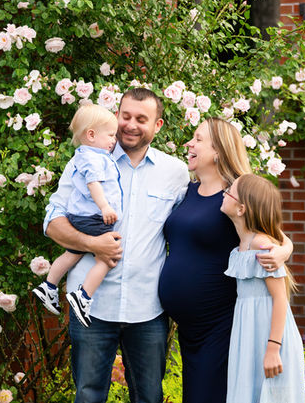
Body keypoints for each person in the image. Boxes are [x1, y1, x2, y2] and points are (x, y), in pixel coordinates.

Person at [42, 88, 191, 403]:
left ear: (158, 125)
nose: (131, 125)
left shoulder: (175, 172)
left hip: (148, 308)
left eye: (141, 119)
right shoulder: (88, 161)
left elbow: (194, 226)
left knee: (149, 397)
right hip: (93, 308)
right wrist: (93, 243)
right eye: (125, 116)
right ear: (117, 115)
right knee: (89, 395)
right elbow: (53, 222)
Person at [158, 118, 294, 403]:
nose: (189, 144)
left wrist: (283, 250)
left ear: (218, 151)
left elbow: (272, 233)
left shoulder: (235, 196)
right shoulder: (188, 192)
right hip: (189, 328)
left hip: (219, 324)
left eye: (197, 139)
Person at [33, 104, 122, 328]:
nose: (114, 140)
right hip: (93, 216)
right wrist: (105, 207)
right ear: (91, 135)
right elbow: (94, 184)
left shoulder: (83, 155)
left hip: (80, 216)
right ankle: (83, 296)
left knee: (73, 252)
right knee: (108, 256)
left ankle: (49, 285)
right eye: (111, 135)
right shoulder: (94, 158)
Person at [221, 174, 305, 403]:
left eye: (230, 191)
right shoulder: (242, 245)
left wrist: (273, 348)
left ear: (241, 209)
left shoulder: (262, 245)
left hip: (270, 335)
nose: (224, 192)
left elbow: (280, 298)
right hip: (249, 332)